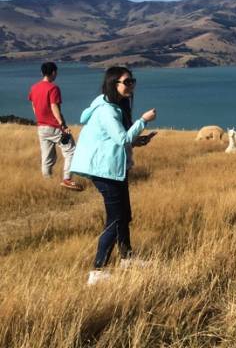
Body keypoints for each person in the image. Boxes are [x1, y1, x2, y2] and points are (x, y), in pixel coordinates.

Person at [69, 67, 157, 286]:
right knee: (116, 218)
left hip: (113, 168)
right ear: (113, 84)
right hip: (104, 170)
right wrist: (143, 121)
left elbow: (118, 139)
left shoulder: (112, 105)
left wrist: (139, 140)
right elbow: (122, 139)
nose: (131, 85)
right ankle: (97, 271)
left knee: (123, 215)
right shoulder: (107, 110)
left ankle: (127, 258)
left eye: (132, 81)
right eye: (127, 82)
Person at [28, 62, 82, 190]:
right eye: (56, 72)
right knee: (71, 151)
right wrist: (62, 124)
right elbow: (54, 106)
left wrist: (39, 118)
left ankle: (47, 182)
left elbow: (34, 105)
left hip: (41, 127)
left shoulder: (34, 87)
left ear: (42, 73)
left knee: (47, 157)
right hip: (54, 127)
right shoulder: (53, 88)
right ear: (53, 72)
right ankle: (67, 180)